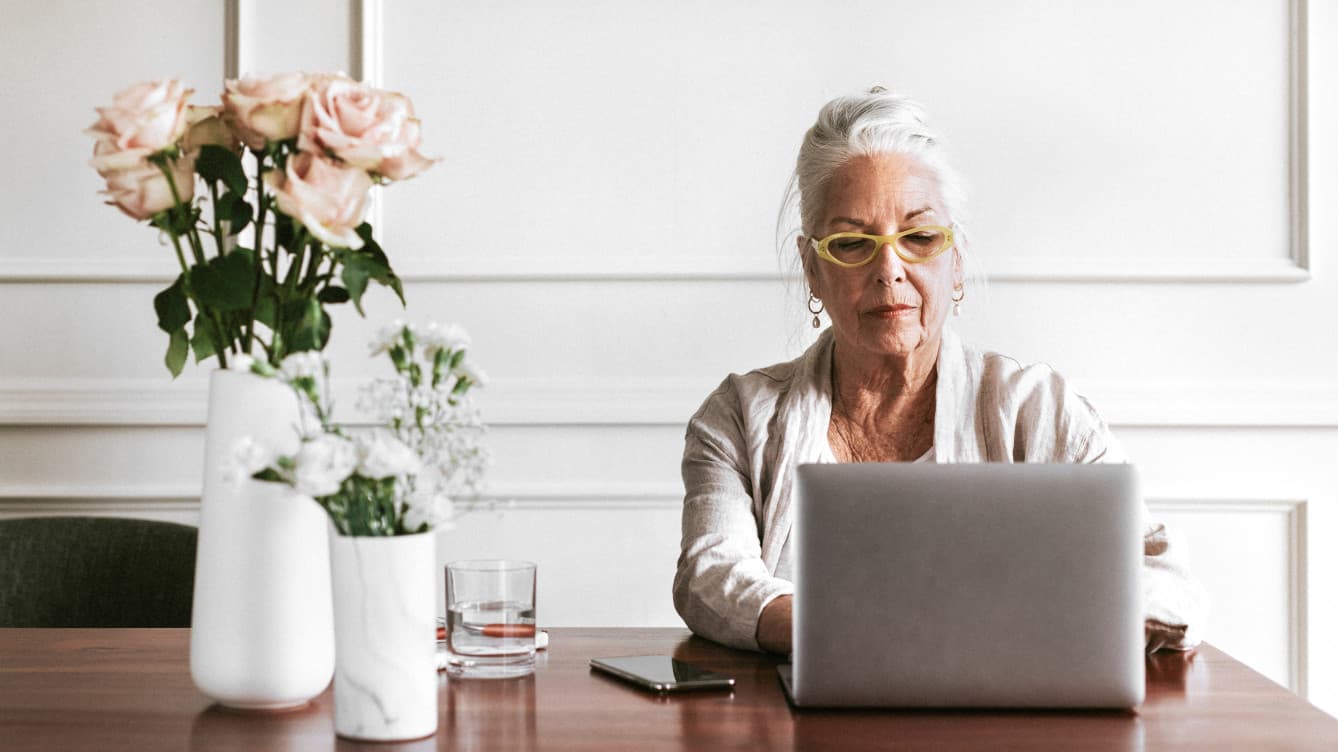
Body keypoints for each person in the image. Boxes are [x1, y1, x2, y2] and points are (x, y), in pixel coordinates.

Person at [672, 88, 1208, 655]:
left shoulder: (1038, 411)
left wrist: (1012, 631)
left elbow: (1166, 582)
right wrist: (879, 636)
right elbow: (712, 578)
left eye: (921, 237)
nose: (889, 269)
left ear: (956, 262)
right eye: (852, 244)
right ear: (812, 268)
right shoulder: (738, 416)